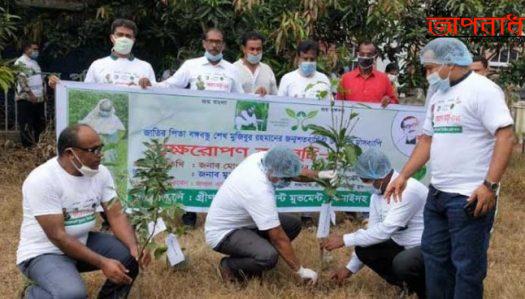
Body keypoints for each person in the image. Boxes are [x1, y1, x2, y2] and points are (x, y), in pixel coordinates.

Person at [386, 37, 515, 299]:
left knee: (467, 267)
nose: (428, 74)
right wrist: (404, 175)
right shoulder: (438, 94)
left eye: (431, 68)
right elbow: (427, 141)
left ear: (450, 62)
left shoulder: (483, 89)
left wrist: (490, 184)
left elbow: (505, 136)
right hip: (438, 195)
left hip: (469, 197)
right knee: (435, 261)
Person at [16, 124, 150, 298]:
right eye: (93, 150)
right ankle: (30, 292)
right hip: (44, 252)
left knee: (128, 259)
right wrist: (103, 262)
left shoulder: (101, 173)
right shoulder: (42, 179)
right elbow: (58, 236)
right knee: (73, 294)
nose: (100, 155)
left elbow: (115, 214)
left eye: (100, 148)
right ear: (70, 153)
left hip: (81, 241)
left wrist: (134, 247)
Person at [205, 146, 336, 283]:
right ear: (273, 173)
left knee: (292, 225)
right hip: (224, 233)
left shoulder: (264, 159)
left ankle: (255, 259)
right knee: (268, 256)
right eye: (285, 178)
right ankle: (230, 266)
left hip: (246, 221)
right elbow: (277, 237)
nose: (288, 180)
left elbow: (292, 171)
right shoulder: (259, 189)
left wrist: (320, 175)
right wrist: (300, 270)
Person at [322, 148, 427, 298]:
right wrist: (349, 269)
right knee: (364, 248)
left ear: (380, 175)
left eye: (365, 179)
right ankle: (407, 285)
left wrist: (344, 239)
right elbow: (372, 233)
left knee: (403, 262)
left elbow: (384, 231)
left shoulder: (408, 189)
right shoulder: (377, 196)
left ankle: (426, 289)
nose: (365, 183)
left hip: (426, 249)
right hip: (402, 245)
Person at [49, 18, 156, 88]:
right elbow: (85, 93)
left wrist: (149, 86)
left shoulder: (145, 67)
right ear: (112, 38)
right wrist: (60, 86)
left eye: (128, 36)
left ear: (133, 40)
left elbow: (156, 98)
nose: (124, 38)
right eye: (120, 34)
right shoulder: (97, 65)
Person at [152, 27, 243, 93]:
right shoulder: (191, 65)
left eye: (218, 42)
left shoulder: (232, 69)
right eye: (210, 41)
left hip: (222, 118)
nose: (214, 45)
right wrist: (150, 85)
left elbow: (240, 97)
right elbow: (170, 85)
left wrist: (257, 96)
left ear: (223, 45)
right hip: (197, 117)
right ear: (204, 44)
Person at [336, 41, 399, 107]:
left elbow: (395, 102)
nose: (365, 57)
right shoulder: (345, 79)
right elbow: (339, 104)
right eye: (362, 54)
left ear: (375, 56)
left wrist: (389, 101)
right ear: (358, 54)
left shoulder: (384, 79)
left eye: (369, 55)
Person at [15, 41, 46, 147]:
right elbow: (21, 80)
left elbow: (38, 79)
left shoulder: (34, 63)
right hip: (26, 99)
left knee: (39, 124)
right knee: (26, 124)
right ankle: (27, 148)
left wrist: (42, 94)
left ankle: (38, 145)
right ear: (27, 49)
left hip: (38, 99)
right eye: (34, 49)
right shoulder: (20, 62)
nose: (36, 52)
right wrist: (31, 94)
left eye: (37, 49)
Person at [233, 31, 278, 95]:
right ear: (243, 49)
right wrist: (254, 95)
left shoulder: (267, 70)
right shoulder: (234, 69)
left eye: (258, 49)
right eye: (252, 49)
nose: (255, 53)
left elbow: (275, 97)